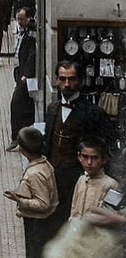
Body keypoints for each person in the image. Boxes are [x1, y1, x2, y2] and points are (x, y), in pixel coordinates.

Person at [42, 60, 115, 237]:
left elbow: (107, 147)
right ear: (57, 80)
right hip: (54, 180)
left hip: (79, 182)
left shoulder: (93, 113)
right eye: (62, 79)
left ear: (80, 80)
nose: (67, 84)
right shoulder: (52, 109)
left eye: (72, 79)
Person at [3, 126, 59, 258]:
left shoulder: (35, 173)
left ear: (22, 150)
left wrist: (19, 200)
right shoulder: (46, 165)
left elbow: (43, 203)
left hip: (37, 222)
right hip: (44, 221)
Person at [6, 9, 37, 151]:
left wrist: (26, 73)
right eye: (18, 19)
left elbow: (33, 53)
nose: (19, 22)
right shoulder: (23, 31)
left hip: (25, 75)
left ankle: (16, 138)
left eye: (21, 19)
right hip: (19, 72)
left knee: (16, 103)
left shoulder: (31, 33)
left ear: (28, 19)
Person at [70, 137, 119, 219]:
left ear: (104, 159)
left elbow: (111, 216)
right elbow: (74, 207)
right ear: (79, 157)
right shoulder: (81, 180)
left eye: (94, 158)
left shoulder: (112, 185)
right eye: (85, 157)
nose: (89, 162)